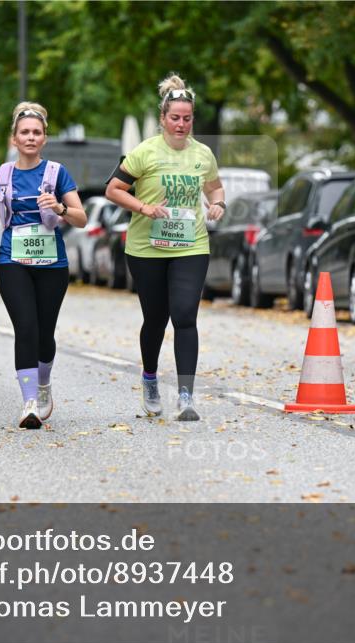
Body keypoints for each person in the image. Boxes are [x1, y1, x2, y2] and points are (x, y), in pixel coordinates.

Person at [105, 74, 225, 421]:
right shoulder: (145, 151)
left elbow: (215, 190)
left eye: (187, 118)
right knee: (155, 319)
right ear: (163, 118)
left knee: (185, 315)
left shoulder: (203, 154)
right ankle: (150, 378)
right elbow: (113, 189)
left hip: (191, 245)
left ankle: (186, 395)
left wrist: (218, 205)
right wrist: (143, 208)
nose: (181, 124)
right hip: (146, 247)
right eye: (175, 118)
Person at [0, 102, 86, 429]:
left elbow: (81, 217)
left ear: (44, 138)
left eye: (36, 132)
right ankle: (29, 403)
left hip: (52, 263)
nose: (30, 137)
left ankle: (43, 384)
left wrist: (60, 208)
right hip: (12, 259)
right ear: (14, 138)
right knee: (25, 328)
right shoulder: (3, 174)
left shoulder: (57, 173)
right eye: (24, 132)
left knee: (44, 333)